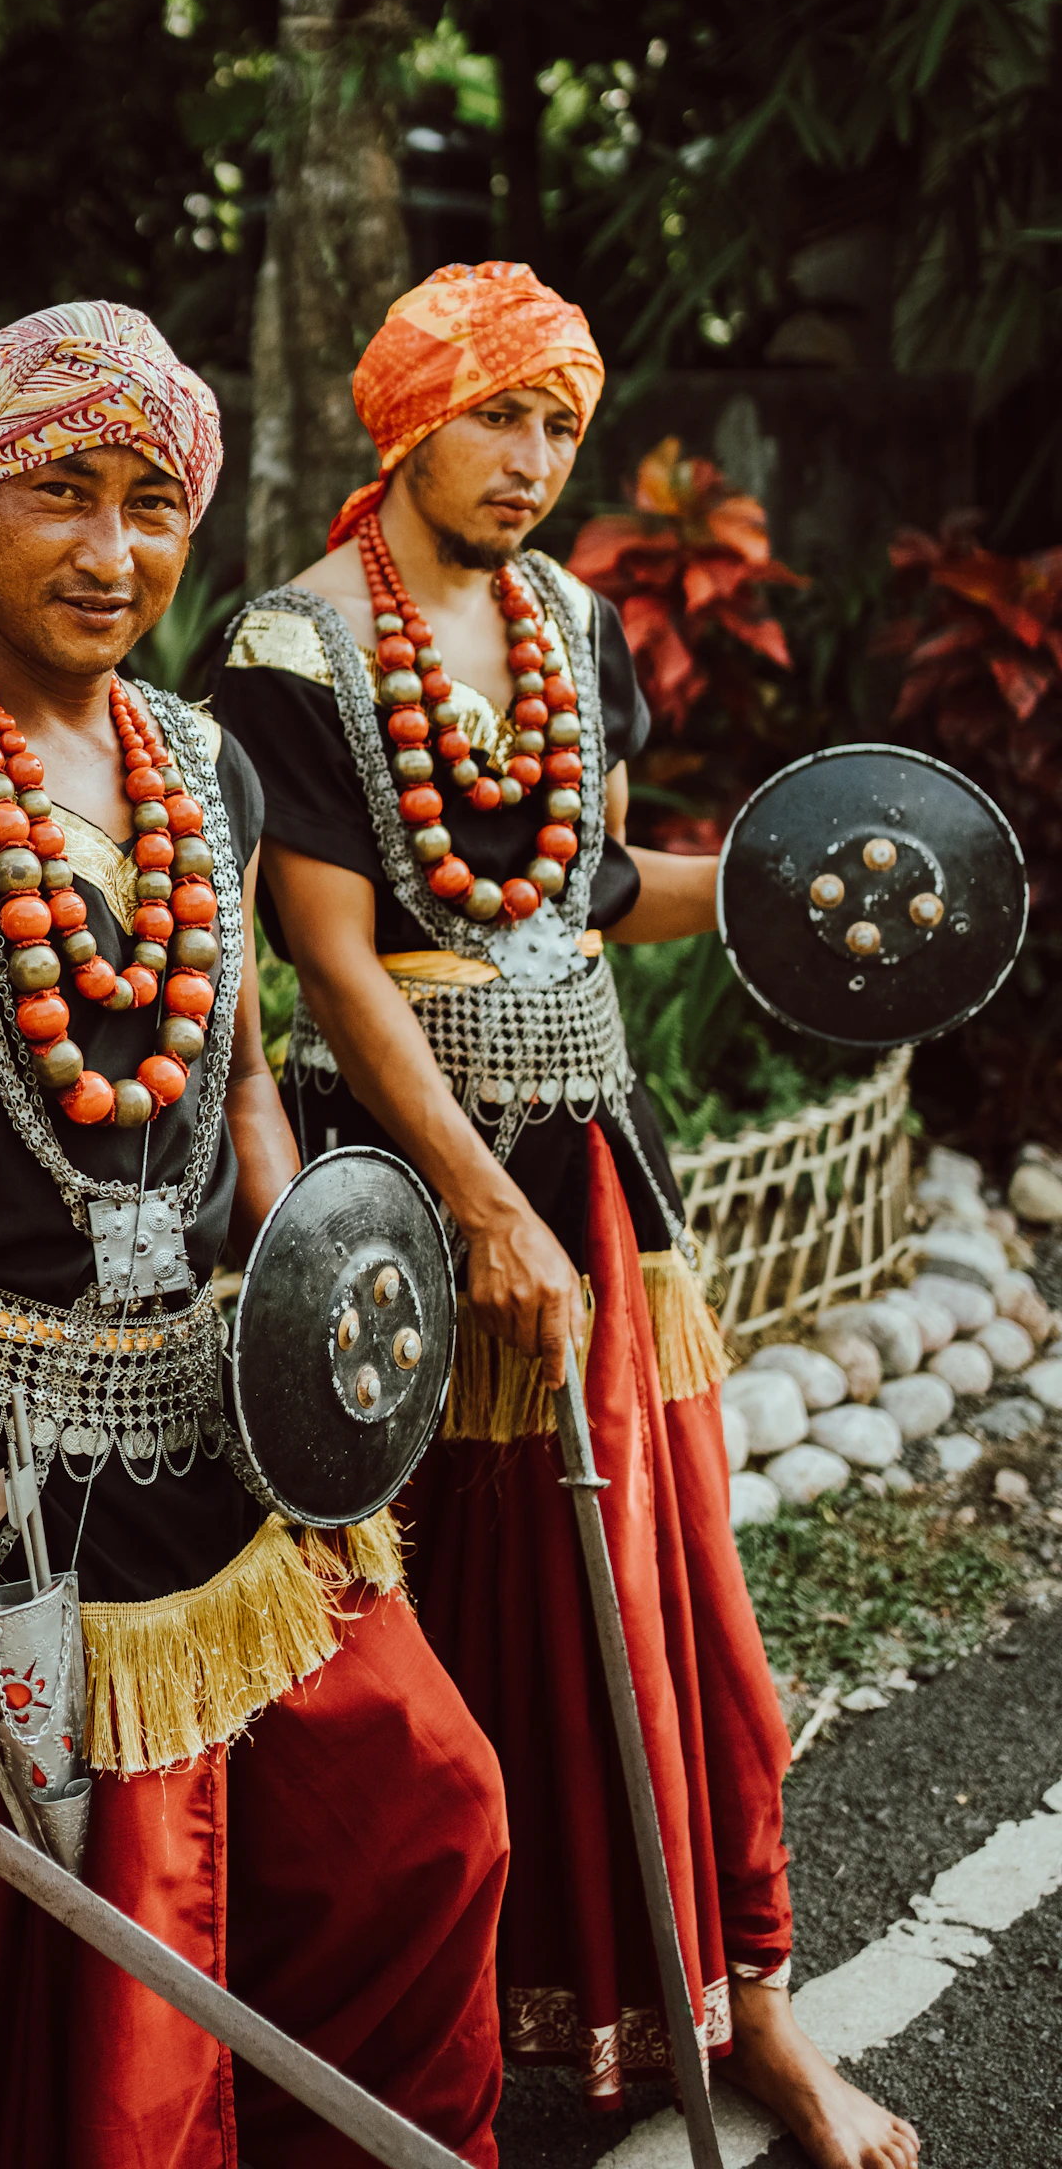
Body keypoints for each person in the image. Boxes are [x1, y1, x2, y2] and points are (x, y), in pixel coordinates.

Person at [0, 299, 509, 2169]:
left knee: (426, 1810)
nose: (113, 552)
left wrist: (308, 1313)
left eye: (154, 504)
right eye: (62, 494)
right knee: (81, 1981)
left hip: (211, 1430)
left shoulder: (201, 762)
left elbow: (240, 1079)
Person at [213, 260, 918, 2169]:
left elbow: (588, 888)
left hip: (599, 1170)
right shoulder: (293, 651)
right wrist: (479, 1210)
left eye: (556, 424)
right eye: (496, 416)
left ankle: (745, 2005)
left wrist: (798, 878)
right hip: (407, 1197)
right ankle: (421, 2041)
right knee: (431, 1607)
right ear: (407, 420)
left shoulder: (573, 625)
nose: (529, 459)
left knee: (672, 1593)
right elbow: (333, 962)